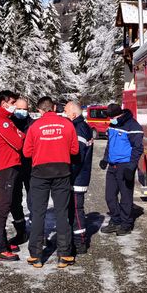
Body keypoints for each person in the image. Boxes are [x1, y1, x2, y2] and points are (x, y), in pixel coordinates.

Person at [23, 96, 79, 269]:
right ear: (54, 107)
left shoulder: (34, 127)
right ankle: (64, 255)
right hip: (62, 171)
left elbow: (26, 153)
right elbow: (75, 150)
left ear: (40, 110)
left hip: (40, 173)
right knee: (62, 213)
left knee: (38, 213)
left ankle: (36, 256)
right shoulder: (67, 124)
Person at [0, 90, 26, 262]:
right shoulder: (1, 121)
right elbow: (18, 142)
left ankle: (2, 241)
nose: (15, 107)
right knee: (3, 206)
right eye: (13, 103)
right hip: (5, 167)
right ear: (4, 104)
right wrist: (21, 135)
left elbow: (19, 137)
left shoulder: (7, 120)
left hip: (11, 166)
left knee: (9, 203)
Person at [99, 103, 144, 236]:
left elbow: (138, 148)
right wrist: (105, 159)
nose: (109, 120)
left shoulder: (133, 126)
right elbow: (110, 144)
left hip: (125, 166)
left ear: (118, 115)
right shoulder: (113, 124)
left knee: (125, 197)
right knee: (109, 196)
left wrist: (131, 167)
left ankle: (126, 224)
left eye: (111, 117)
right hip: (112, 166)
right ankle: (115, 220)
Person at [64, 101, 94, 254]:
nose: (65, 116)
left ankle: (80, 242)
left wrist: (68, 175)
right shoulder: (83, 127)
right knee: (75, 210)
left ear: (74, 114)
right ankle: (77, 239)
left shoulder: (79, 129)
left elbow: (77, 157)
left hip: (77, 178)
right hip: (79, 177)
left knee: (76, 210)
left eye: (66, 113)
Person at [10, 97, 34, 235]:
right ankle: (20, 230)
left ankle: (36, 230)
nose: (22, 112)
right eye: (19, 109)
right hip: (14, 166)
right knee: (15, 199)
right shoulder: (9, 123)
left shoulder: (33, 124)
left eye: (25, 109)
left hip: (30, 166)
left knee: (34, 199)